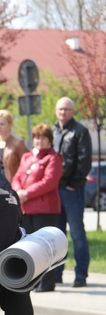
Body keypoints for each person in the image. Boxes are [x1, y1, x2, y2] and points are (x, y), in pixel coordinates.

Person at [11, 123, 63, 292]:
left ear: (49, 140)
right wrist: (18, 191)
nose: (39, 141)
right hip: (26, 208)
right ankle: (32, 281)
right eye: (36, 137)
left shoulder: (53, 158)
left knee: (46, 247)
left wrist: (26, 193)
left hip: (44, 209)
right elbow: (17, 176)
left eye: (43, 137)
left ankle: (47, 283)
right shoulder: (27, 156)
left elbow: (49, 182)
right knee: (31, 248)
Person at [52, 97, 92, 288]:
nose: (63, 113)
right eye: (60, 109)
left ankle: (81, 275)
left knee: (77, 234)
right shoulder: (53, 131)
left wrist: (73, 184)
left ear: (73, 111)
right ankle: (57, 273)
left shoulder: (80, 131)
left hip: (72, 190)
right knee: (58, 234)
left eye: (67, 109)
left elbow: (84, 161)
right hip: (55, 190)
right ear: (55, 111)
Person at [0, 109, 28, 182]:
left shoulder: (18, 144)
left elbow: (27, 166)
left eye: (2, 124)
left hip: (14, 186)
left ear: (10, 125)